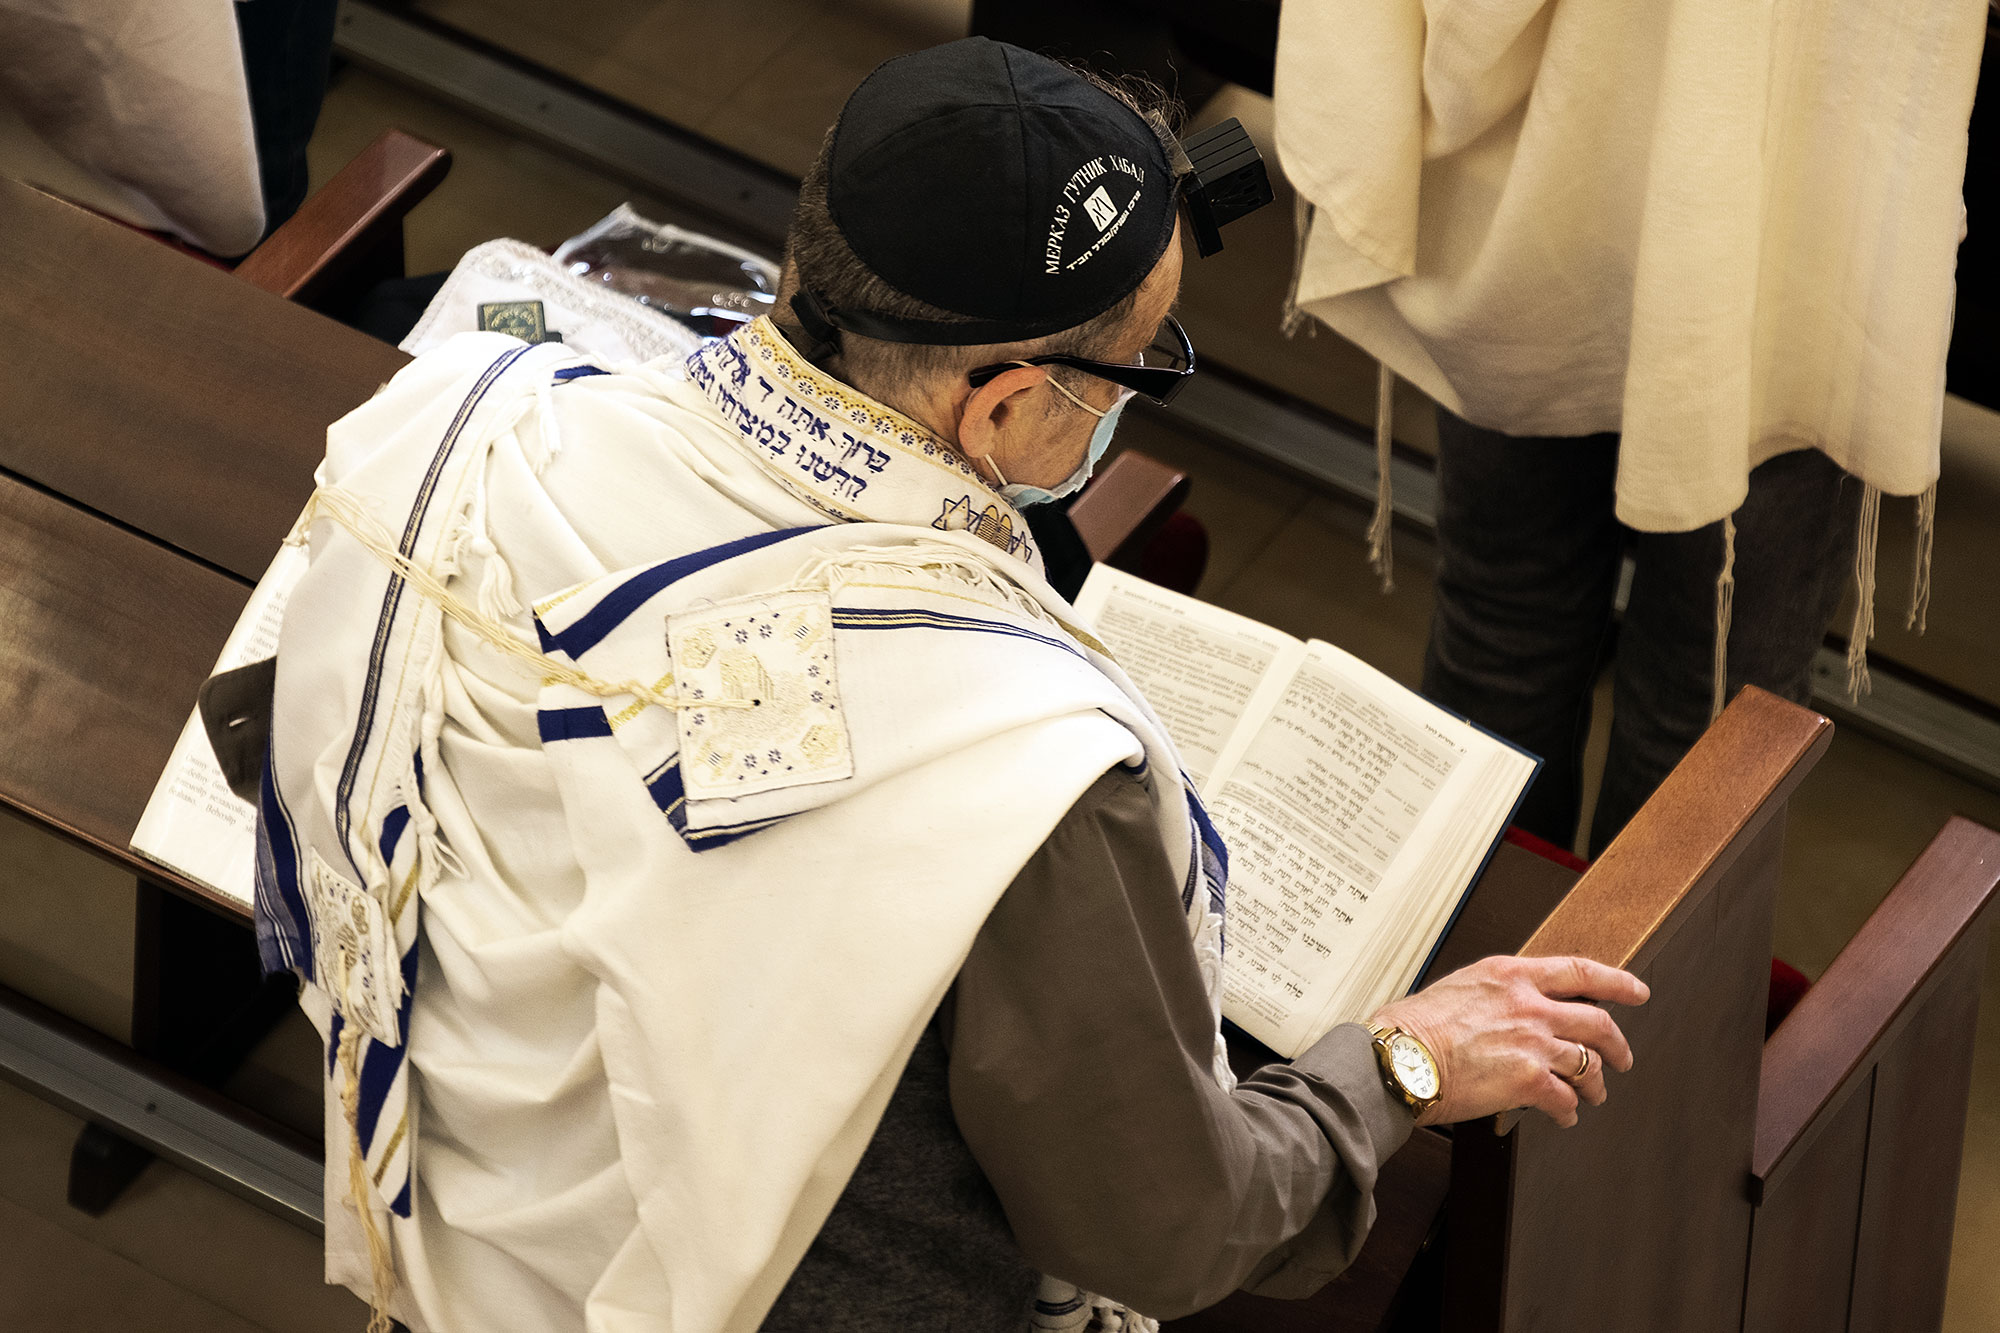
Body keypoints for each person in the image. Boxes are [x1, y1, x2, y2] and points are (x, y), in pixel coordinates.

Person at [255, 38, 1646, 1333]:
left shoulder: (477, 426)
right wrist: (1397, 1064)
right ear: (999, 405)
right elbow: (1169, 1225)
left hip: (479, 1237)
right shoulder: (1020, 774)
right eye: (1136, 366)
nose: (1129, 403)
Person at [1273, 0, 1982, 853]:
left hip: (1551, 189)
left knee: (1504, 633)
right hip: (1801, 230)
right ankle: (1632, 984)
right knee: (1709, 709)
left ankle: (1465, 964)